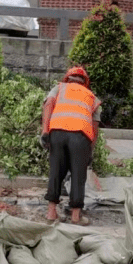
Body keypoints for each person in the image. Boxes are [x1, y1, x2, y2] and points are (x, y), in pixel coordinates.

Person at [40, 66, 101, 226]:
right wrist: (89, 151)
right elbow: (94, 127)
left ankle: (51, 213)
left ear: (67, 78)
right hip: (81, 136)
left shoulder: (58, 88)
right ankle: (75, 216)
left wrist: (45, 132)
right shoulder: (92, 97)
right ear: (85, 82)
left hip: (57, 133)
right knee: (78, 174)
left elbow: (48, 106)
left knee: (56, 172)